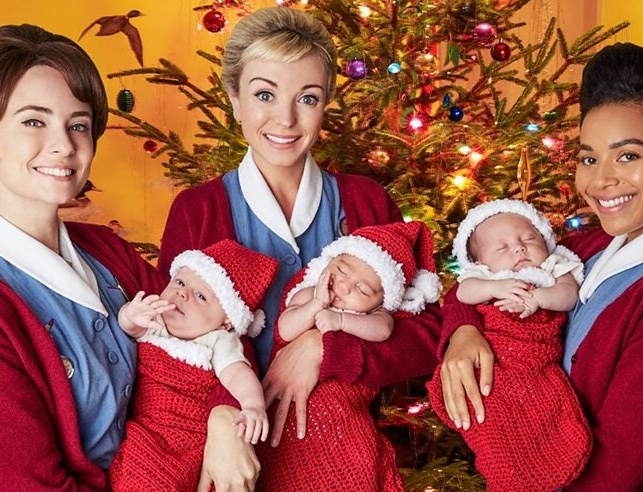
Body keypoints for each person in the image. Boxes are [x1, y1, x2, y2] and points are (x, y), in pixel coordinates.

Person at [157, 6, 441, 488]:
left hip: (344, 461)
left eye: (306, 98)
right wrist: (223, 418)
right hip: (237, 468)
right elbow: (167, 344)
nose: (285, 120)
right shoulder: (198, 210)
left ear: (326, 101)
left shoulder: (366, 202)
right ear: (234, 99)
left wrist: (322, 347)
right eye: (264, 94)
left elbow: (425, 336)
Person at [438, 42, 643, 490]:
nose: (600, 181)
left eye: (628, 156)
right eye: (589, 157)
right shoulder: (588, 245)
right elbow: (473, 283)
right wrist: (463, 332)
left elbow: (611, 474)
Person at [0, 24, 168, 489]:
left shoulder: (108, 251)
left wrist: (220, 425)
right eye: (34, 121)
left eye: (77, 124)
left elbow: (199, 344)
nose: (64, 145)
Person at [259, 221, 440, 490]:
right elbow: (285, 330)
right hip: (286, 404)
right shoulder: (310, 294)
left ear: (383, 301)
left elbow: (384, 329)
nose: (344, 287)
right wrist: (316, 306)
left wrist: (341, 323)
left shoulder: (374, 315)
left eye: (364, 289)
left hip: (344, 416)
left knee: (354, 469)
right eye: (341, 270)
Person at [426, 199, 591, 491]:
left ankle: (543, 463)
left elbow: (568, 294)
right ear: (480, 262)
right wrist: (493, 288)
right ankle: (505, 471)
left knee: (546, 407)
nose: (519, 248)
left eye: (529, 238)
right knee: (490, 411)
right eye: (502, 247)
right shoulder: (485, 276)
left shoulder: (553, 266)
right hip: (492, 355)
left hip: (534, 358)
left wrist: (540, 298)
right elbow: (464, 292)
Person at [109, 240, 278, 490]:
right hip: (148, 429)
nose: (183, 293)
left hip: (193, 435)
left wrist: (252, 405)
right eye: (180, 282)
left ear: (226, 323)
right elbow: (128, 328)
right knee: (139, 473)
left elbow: (238, 374)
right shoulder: (154, 322)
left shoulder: (217, 340)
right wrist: (130, 315)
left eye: (201, 296)